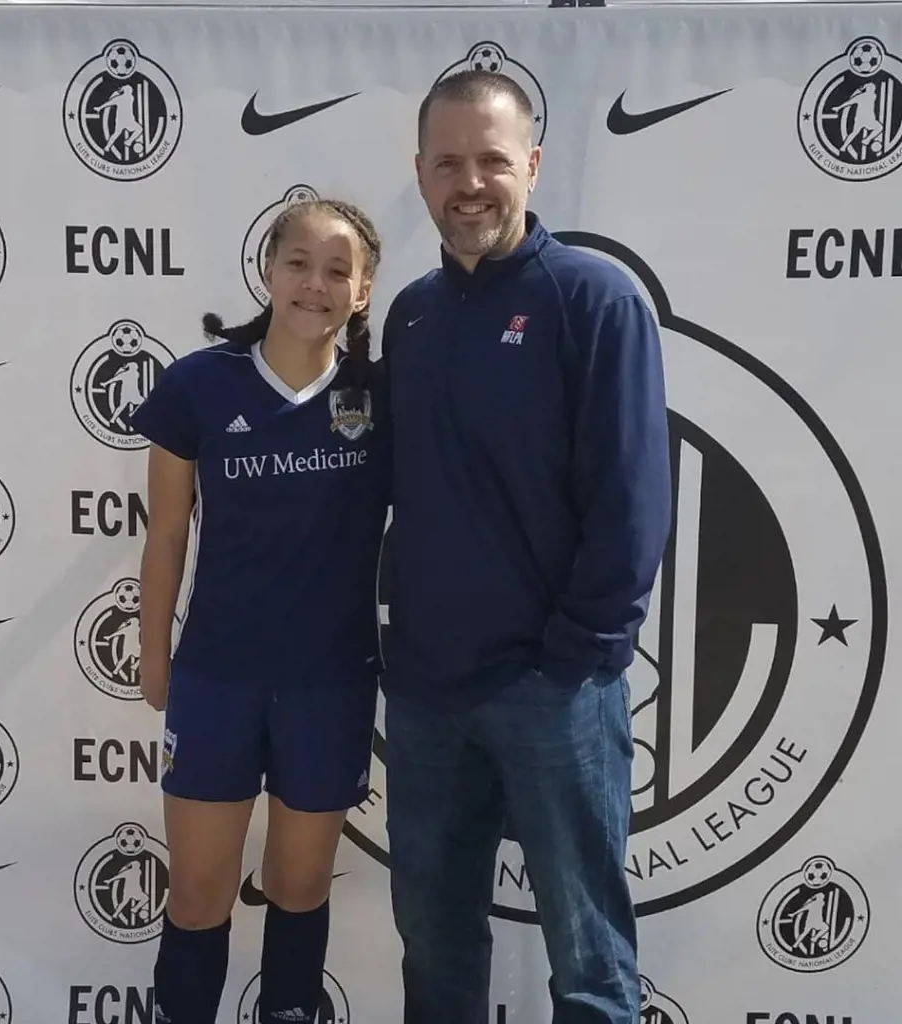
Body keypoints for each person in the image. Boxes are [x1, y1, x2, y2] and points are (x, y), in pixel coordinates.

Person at [379, 69, 672, 1023]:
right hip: (425, 694)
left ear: (533, 167)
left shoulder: (594, 300)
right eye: (449, 162)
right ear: (419, 174)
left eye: (493, 161)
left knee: (588, 960)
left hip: (556, 691)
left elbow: (632, 505)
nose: (471, 183)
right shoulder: (411, 315)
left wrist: (572, 662)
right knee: (434, 945)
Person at [129, 197, 389, 1024]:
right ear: (268, 271)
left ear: (364, 292)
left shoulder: (381, 397)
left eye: (337, 270)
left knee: (298, 887)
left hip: (331, 685)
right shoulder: (200, 384)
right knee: (200, 893)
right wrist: (155, 652)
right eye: (298, 263)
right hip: (217, 680)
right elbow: (166, 535)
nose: (315, 283)